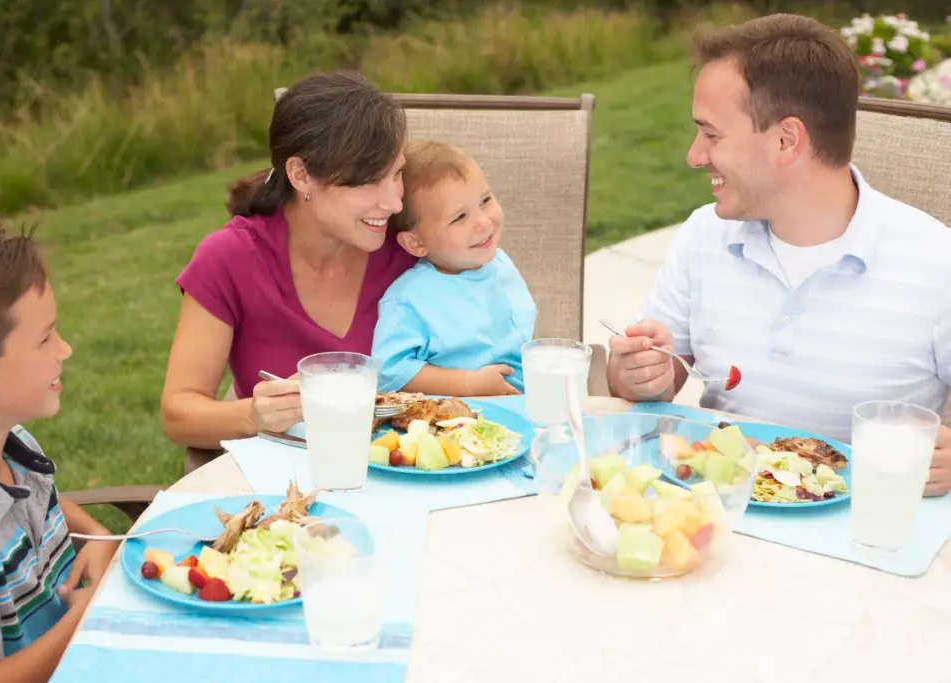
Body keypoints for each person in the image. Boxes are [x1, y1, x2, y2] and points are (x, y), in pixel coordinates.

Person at [606, 14, 951, 495]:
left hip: (861, 536)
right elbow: (653, 382)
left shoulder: (937, 264)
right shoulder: (704, 235)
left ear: (787, 140)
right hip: (717, 512)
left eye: (711, 134)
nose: (694, 155)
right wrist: (637, 376)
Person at [161, 70, 415, 449]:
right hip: (288, 491)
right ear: (300, 175)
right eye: (367, 182)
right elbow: (179, 413)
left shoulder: (410, 246)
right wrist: (253, 415)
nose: (394, 202)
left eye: (396, 174)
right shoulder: (230, 260)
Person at [0, 223, 116, 682]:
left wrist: (95, 533)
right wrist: (84, 619)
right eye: (45, 338)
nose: (65, 349)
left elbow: (37, 502)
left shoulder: (10, 443)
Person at [371, 140, 536, 396]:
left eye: (485, 200)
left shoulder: (499, 263)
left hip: (526, 403)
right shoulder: (410, 299)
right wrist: (467, 384)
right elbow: (389, 369)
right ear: (416, 243)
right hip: (461, 421)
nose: (482, 222)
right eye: (459, 217)